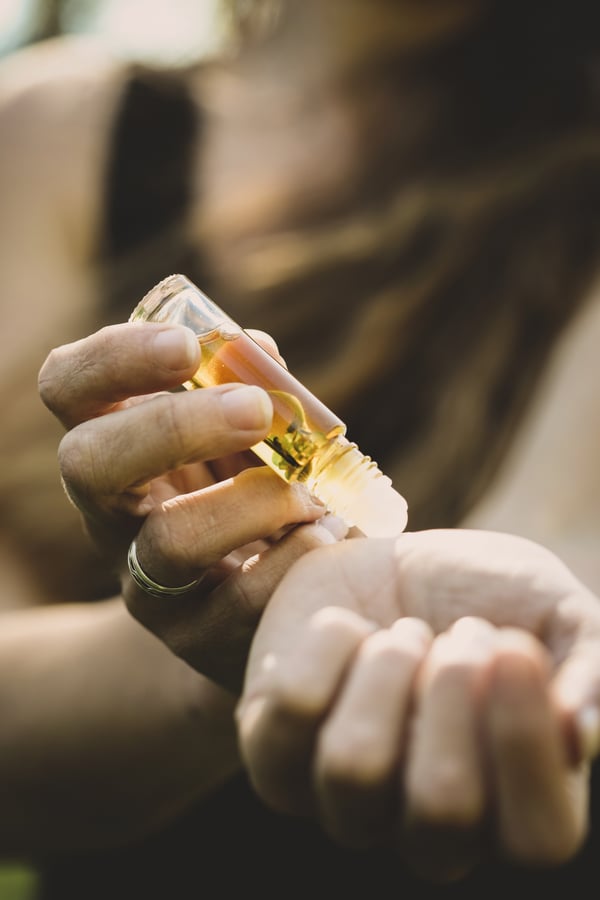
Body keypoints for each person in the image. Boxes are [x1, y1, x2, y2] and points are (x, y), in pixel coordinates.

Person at [0, 0, 598, 894]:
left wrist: (491, 633)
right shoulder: (47, 137)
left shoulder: (575, 170)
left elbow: (561, 527)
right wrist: (214, 650)